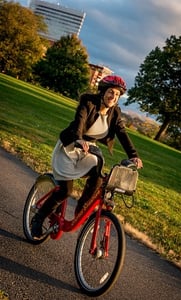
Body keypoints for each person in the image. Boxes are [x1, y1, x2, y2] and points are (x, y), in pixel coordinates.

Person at [31, 75, 143, 239]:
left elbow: (122, 134)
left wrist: (134, 156)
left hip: (89, 149)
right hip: (71, 146)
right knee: (65, 191)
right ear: (103, 91)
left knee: (98, 176)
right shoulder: (89, 102)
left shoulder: (115, 112)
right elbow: (80, 121)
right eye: (111, 92)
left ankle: (81, 211)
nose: (113, 97)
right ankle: (38, 218)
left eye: (117, 95)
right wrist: (78, 138)